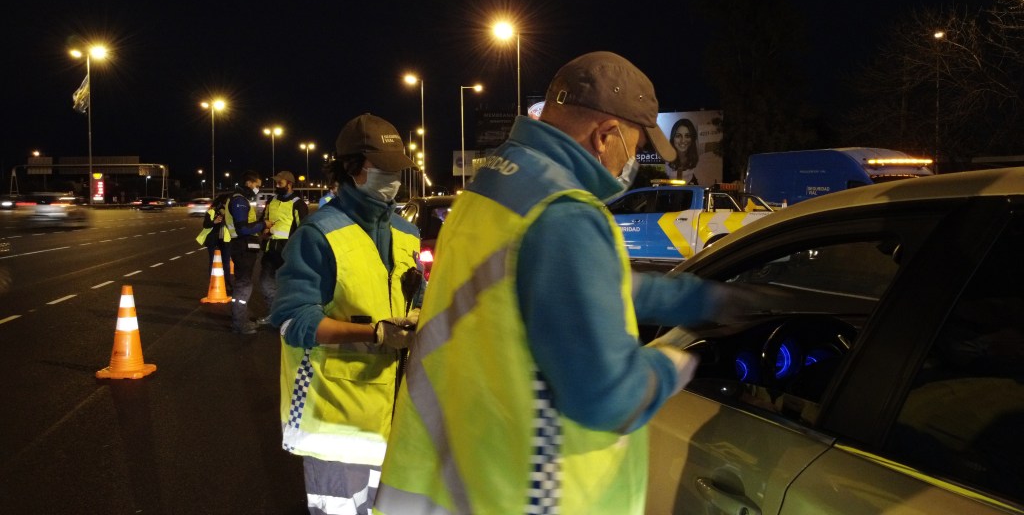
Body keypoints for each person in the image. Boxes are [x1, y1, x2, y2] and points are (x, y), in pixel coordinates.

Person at [376, 51, 751, 514]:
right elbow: (605, 397)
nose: (630, 161)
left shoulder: (491, 190)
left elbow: (587, 287)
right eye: (633, 146)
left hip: (453, 474)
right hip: (530, 494)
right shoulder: (565, 213)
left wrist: (699, 300)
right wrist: (673, 365)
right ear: (605, 136)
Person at [269, 113, 424, 515]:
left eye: (398, 169)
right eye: (383, 169)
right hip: (334, 424)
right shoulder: (318, 234)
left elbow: (417, 297)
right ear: (354, 169)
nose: (393, 178)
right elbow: (292, 321)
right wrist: (375, 334)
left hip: (395, 417)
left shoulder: (406, 233)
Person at [255, 170, 308, 326]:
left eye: (280, 183)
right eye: (276, 183)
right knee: (265, 283)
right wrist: (262, 228)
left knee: (289, 285)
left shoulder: (298, 203)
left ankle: (292, 316)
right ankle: (274, 314)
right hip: (270, 248)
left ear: (289, 184)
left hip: (288, 251)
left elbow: (303, 228)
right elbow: (263, 219)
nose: (277, 185)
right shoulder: (271, 200)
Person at [225, 170, 270, 335]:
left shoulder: (240, 199)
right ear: (250, 183)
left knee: (242, 284)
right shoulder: (239, 201)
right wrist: (263, 224)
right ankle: (240, 323)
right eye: (257, 185)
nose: (257, 189)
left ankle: (239, 317)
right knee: (243, 285)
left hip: (241, 246)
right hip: (242, 246)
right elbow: (243, 228)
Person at [195, 192, 232, 287]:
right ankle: (213, 283)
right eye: (228, 201)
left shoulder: (230, 211)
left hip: (225, 240)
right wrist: (214, 222)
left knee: (226, 262)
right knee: (213, 261)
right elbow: (205, 224)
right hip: (213, 239)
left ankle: (227, 284)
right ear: (223, 202)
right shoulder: (211, 211)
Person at [666, 117, 700, 184]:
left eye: (687, 136)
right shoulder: (665, 159)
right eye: (678, 136)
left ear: (692, 138)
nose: (683, 140)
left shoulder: (700, 161)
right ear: (673, 138)